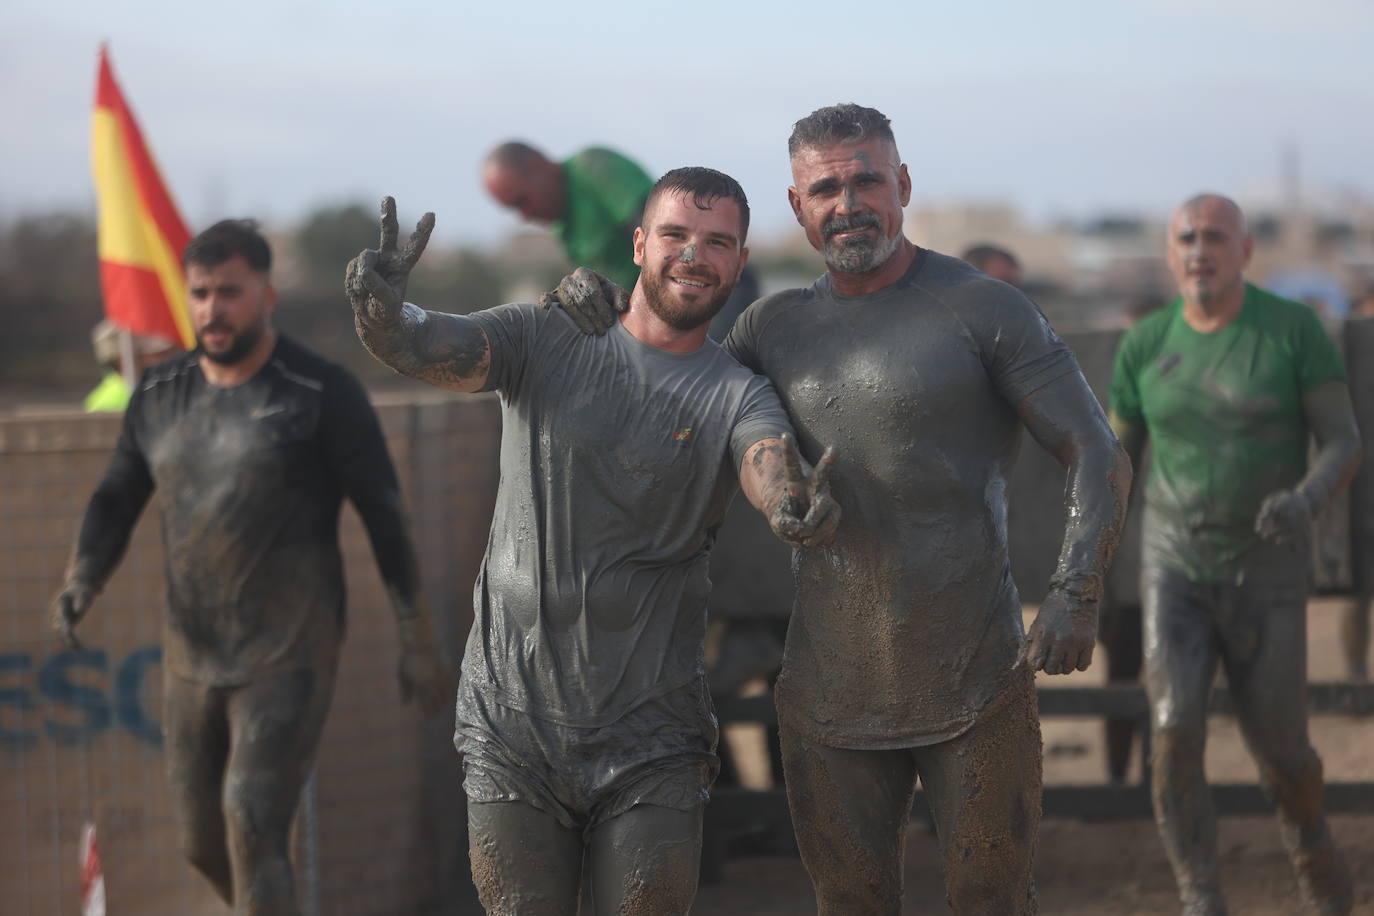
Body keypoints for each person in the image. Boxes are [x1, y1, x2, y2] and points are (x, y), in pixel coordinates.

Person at [547, 103, 1131, 915]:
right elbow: (661, 409)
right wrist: (592, 321)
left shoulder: (984, 309)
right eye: (825, 189)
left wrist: (1077, 591)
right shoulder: (769, 327)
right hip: (827, 692)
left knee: (992, 899)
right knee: (849, 903)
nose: (848, 204)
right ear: (797, 206)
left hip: (974, 679)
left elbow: (1097, 451)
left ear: (904, 185)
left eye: (867, 181)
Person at [345, 172, 838, 915]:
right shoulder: (544, 335)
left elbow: (767, 461)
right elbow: (425, 343)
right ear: (639, 245)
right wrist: (383, 311)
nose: (693, 255)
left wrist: (791, 503)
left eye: (717, 243)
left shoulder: (737, 392)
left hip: (653, 734)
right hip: (511, 722)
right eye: (674, 235)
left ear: (739, 264)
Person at [51, 219, 452, 915]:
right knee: (201, 843)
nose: (213, 309)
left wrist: (416, 636)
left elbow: (385, 515)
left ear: (267, 295)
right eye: (201, 293)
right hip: (192, 656)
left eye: (230, 293)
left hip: (290, 652)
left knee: (253, 820)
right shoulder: (160, 394)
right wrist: (83, 576)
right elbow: (118, 493)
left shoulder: (319, 391)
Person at [1109, 193, 1360, 915]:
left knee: (1284, 753)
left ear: (1245, 251)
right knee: (1172, 727)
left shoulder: (1292, 331)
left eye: (1216, 237)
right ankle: (1200, 894)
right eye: (1187, 238)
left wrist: (1307, 499)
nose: (1200, 250)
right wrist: (1086, 561)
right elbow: (1117, 463)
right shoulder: (1144, 344)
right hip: (1174, 563)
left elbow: (1343, 442)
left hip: (1266, 567)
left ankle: (1311, 845)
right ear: (1169, 253)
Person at [482, 141, 759, 341]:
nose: (523, 215)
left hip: (707, 294)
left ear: (537, 167)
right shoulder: (565, 226)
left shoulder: (593, 168)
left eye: (521, 200)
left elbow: (660, 234)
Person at [83, 319, 181, 412]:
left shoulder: (162, 386)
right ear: (122, 361)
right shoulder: (106, 404)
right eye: (157, 354)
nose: (169, 357)